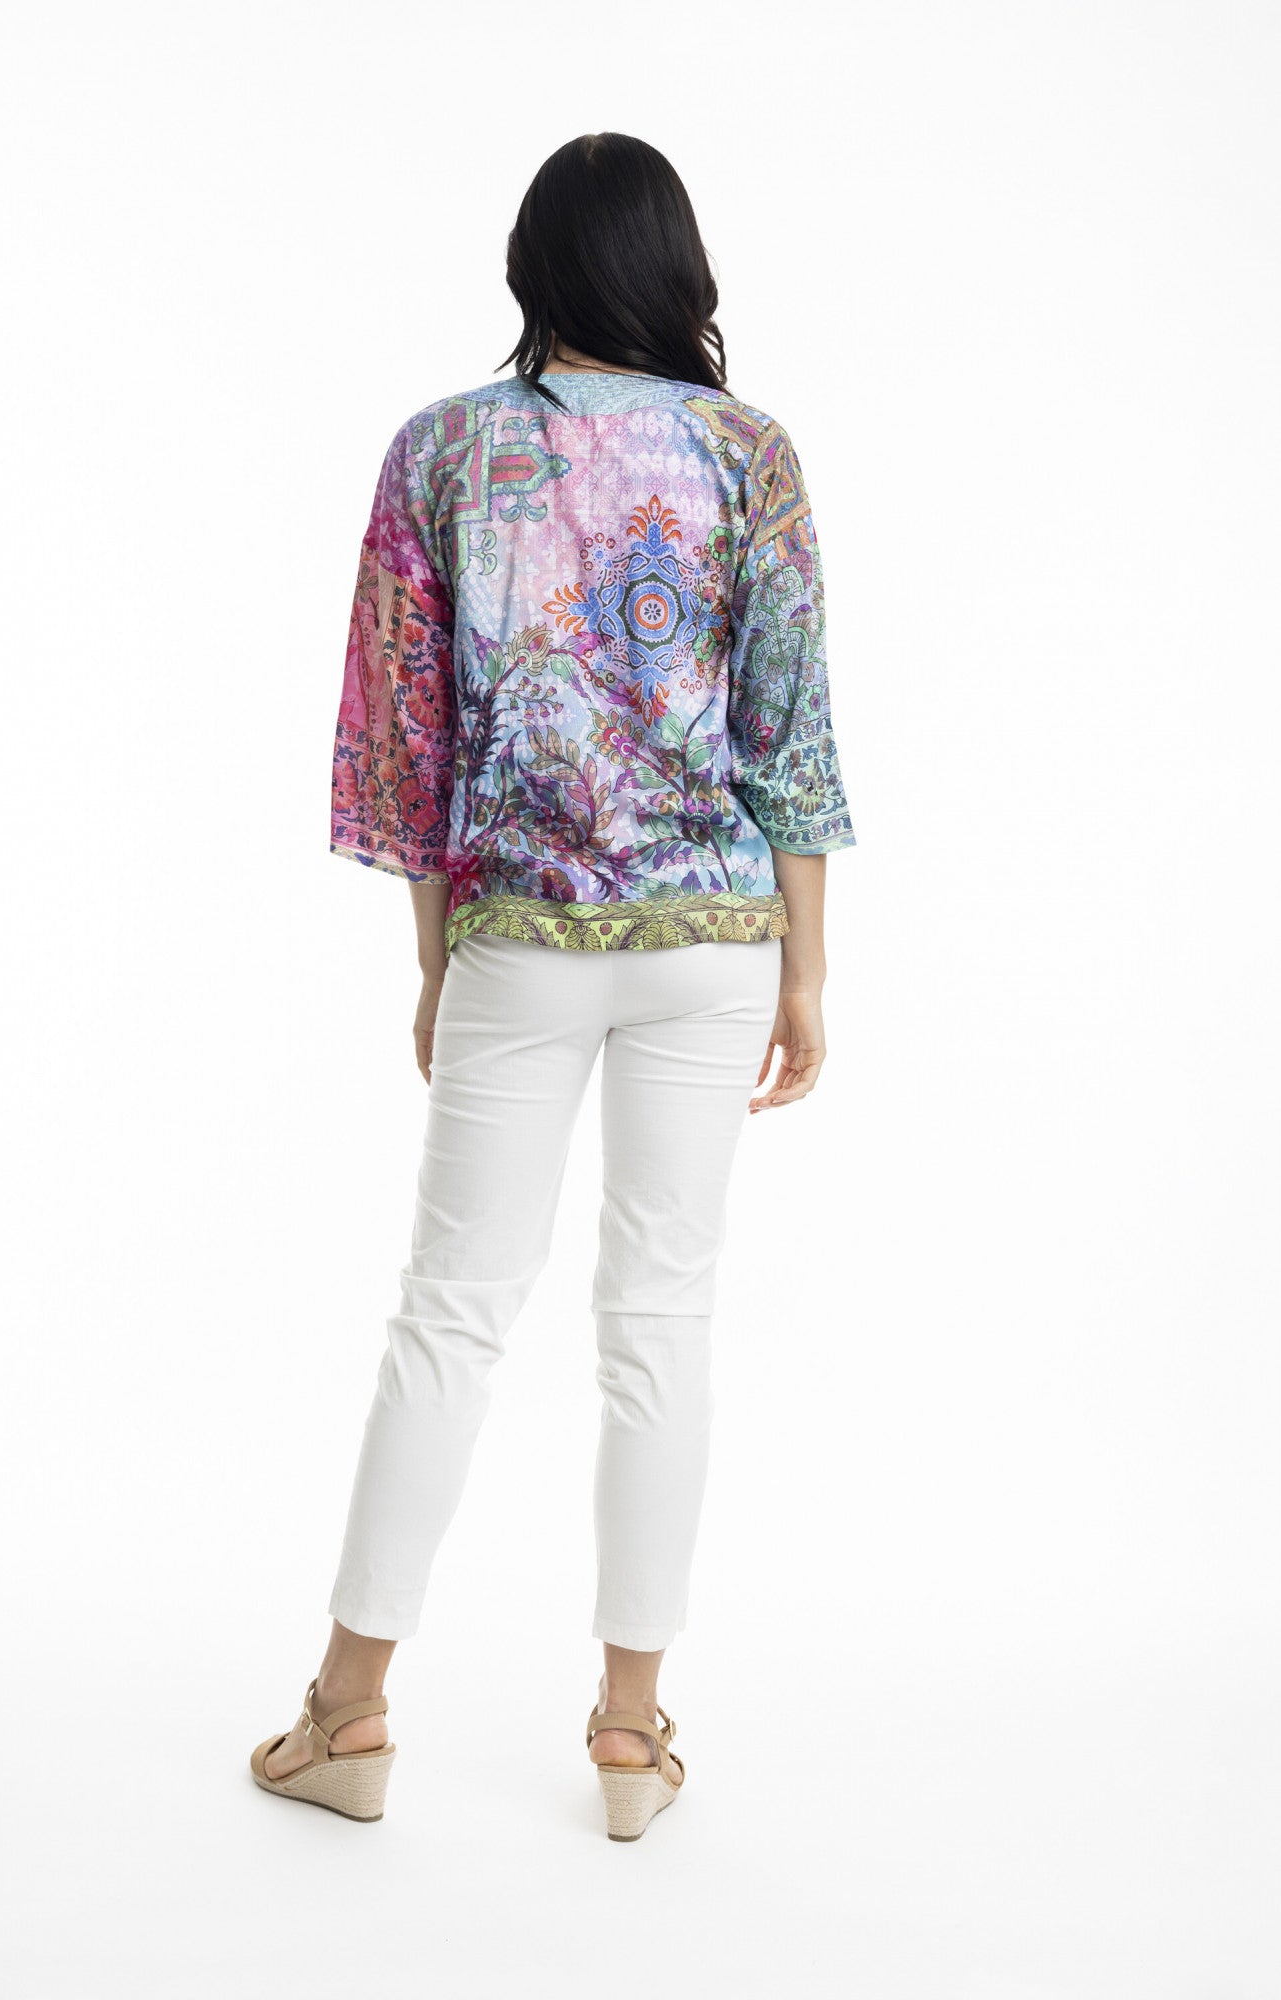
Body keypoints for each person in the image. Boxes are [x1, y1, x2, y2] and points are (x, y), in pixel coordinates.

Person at [250, 131, 855, 1841]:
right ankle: (629, 1736)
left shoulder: (441, 450)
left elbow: (404, 739)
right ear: (679, 268)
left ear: (531, 267)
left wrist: (435, 962)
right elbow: (789, 731)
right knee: (660, 1323)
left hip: (516, 933)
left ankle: (348, 1714)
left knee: (450, 1312)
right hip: (714, 940)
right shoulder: (748, 452)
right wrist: (807, 972)